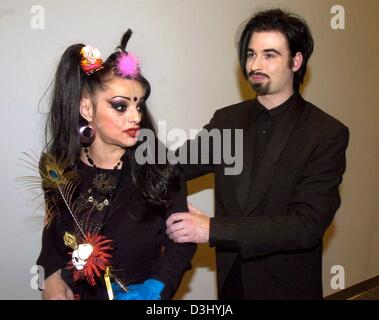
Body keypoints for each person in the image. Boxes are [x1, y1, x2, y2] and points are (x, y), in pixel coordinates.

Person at [166, 9, 349, 299]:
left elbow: (306, 225)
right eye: (251, 54)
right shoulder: (227, 120)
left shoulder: (326, 133)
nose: (255, 64)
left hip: (286, 287)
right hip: (230, 281)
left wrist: (213, 229)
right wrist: (119, 144)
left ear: (296, 61)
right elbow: (174, 165)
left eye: (270, 55)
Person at [36, 29, 196, 300]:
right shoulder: (58, 167)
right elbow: (52, 235)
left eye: (139, 105)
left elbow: (183, 240)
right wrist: (49, 278)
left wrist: (156, 287)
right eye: (121, 106)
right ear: (86, 109)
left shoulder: (158, 165)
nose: (136, 116)